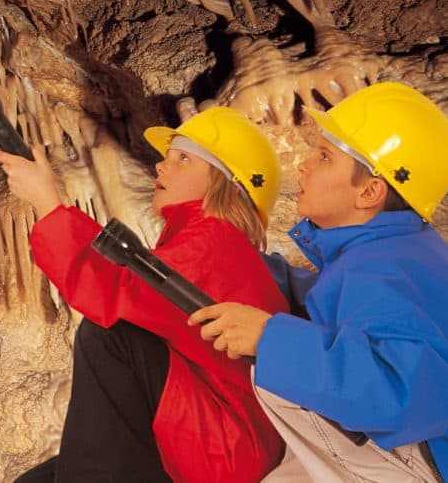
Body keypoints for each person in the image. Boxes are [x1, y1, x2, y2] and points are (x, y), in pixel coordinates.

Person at [0, 107, 289, 482]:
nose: (162, 168)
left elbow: (111, 292)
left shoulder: (214, 241)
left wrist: (48, 203)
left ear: (228, 185)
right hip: (210, 428)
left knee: (111, 336)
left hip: (227, 448)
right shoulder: (204, 242)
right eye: (166, 157)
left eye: (183, 158)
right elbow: (126, 280)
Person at [190, 82, 448, 482]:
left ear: (370, 191)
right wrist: (247, 265)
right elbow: (340, 306)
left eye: (325, 157)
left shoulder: (385, 267)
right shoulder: (392, 251)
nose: (304, 164)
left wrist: (268, 339)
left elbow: (401, 390)